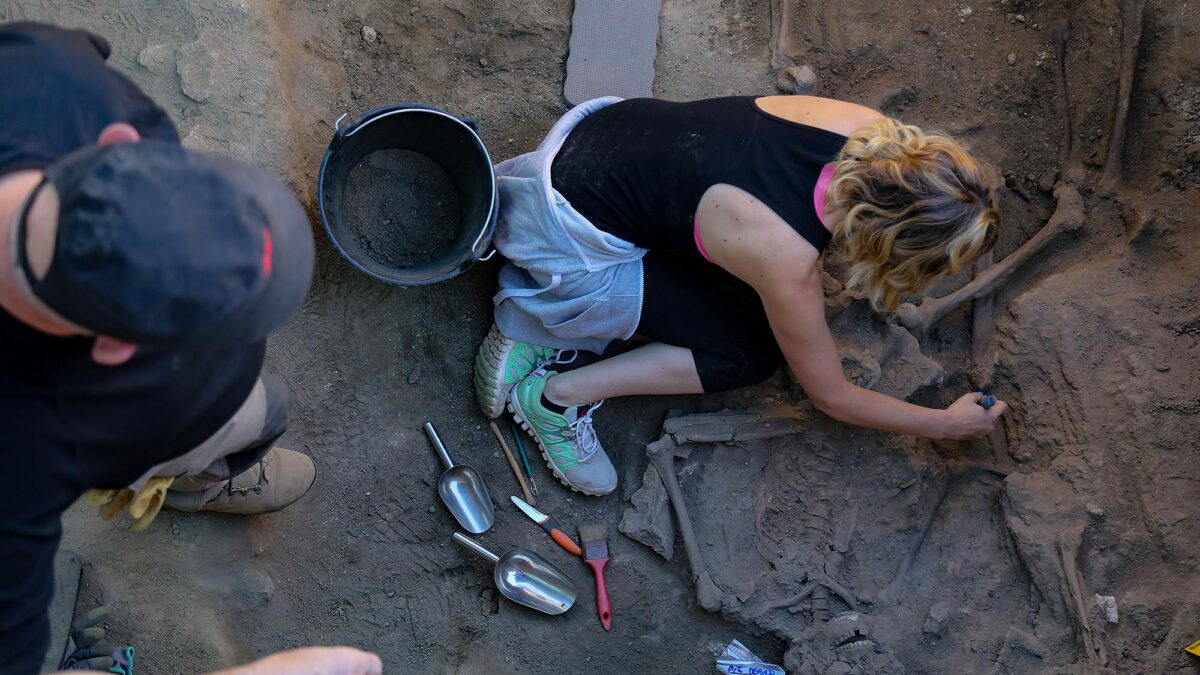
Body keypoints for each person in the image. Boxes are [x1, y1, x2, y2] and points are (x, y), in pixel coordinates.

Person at [474, 95, 1010, 496]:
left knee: (737, 283)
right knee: (749, 353)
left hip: (599, 139)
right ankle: (554, 395)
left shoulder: (863, 126)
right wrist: (942, 424)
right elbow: (832, 396)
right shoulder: (785, 259)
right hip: (565, 235)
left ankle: (541, 329)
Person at [0, 22, 318, 672]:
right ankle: (193, 481)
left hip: (168, 413)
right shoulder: (18, 467)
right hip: (168, 434)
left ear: (118, 143)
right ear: (116, 348)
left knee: (267, 404)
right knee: (265, 409)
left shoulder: (39, 75)